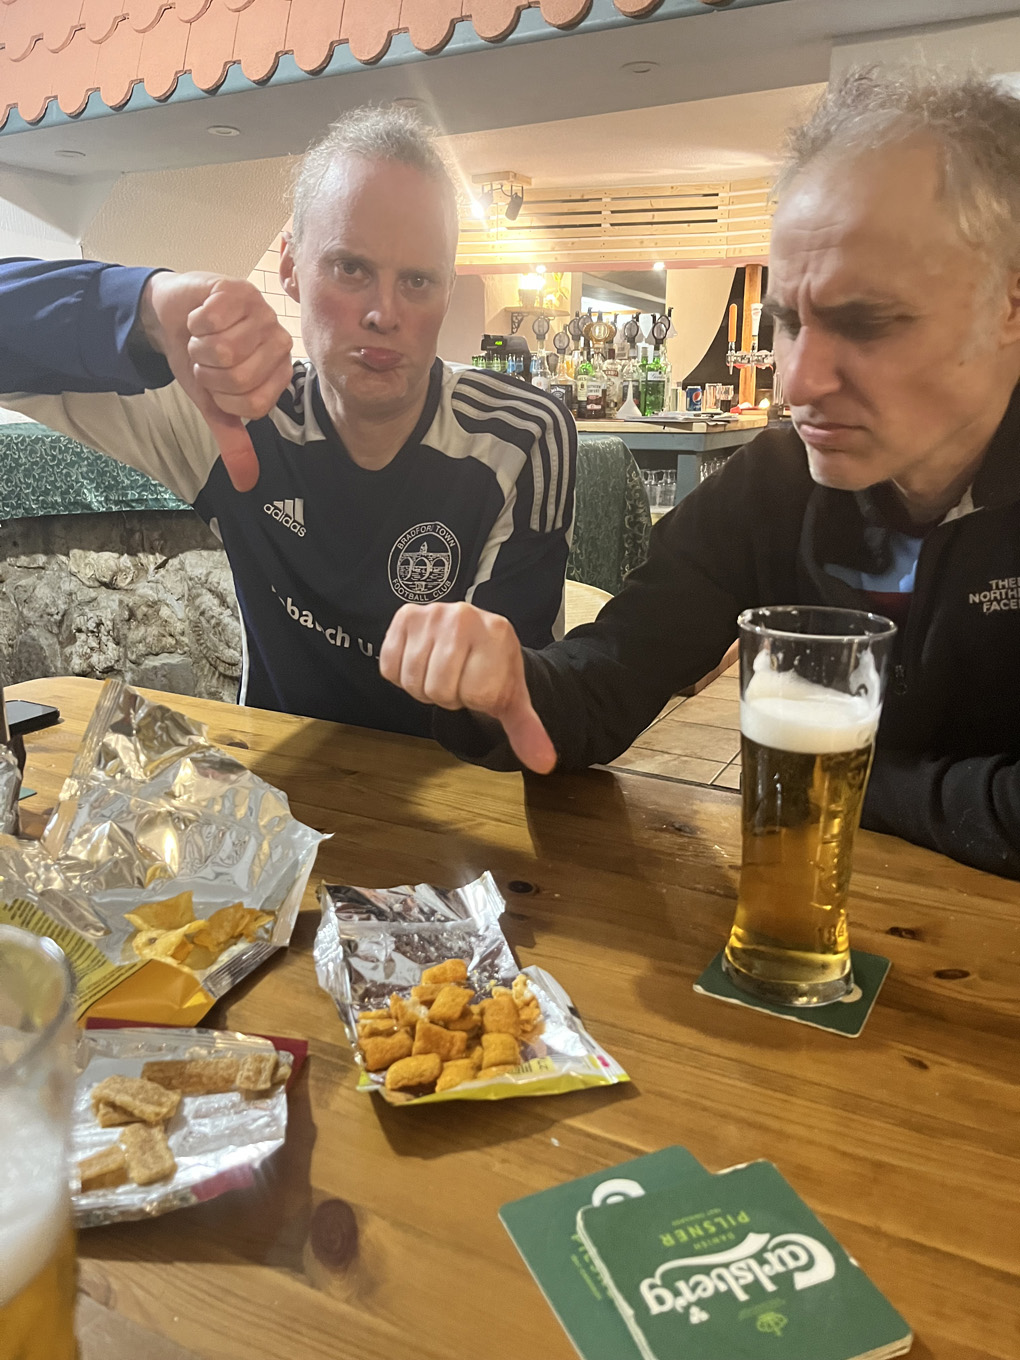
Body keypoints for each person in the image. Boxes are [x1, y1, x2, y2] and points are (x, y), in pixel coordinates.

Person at [379, 66, 1020, 881]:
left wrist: (854, 783)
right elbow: (616, 672)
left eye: (868, 322)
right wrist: (509, 686)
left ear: (1010, 302)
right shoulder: (779, 483)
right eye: (788, 320)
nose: (798, 382)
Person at [0, 106, 575, 738]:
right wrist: (142, 305)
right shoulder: (233, 415)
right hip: (275, 804)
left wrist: (495, 669)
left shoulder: (519, 436)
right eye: (351, 267)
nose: (384, 313)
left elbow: (520, 715)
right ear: (290, 268)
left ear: (447, 290)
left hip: (457, 795)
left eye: (417, 280)